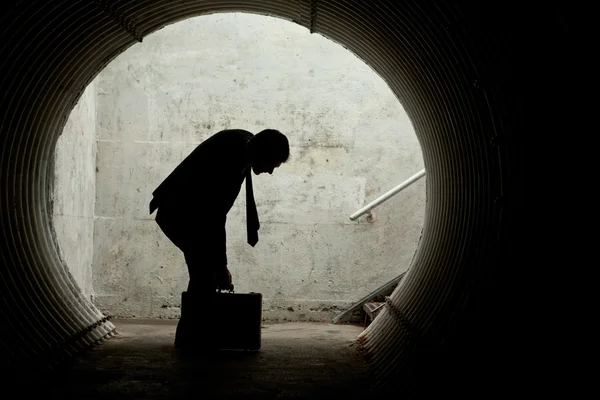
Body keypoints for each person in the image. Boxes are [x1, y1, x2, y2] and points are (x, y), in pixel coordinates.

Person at [149, 128, 289, 347]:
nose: (271, 171)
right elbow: (214, 216)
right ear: (263, 152)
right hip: (179, 213)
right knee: (204, 271)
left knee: (203, 271)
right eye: (272, 164)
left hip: (186, 211)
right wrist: (222, 265)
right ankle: (191, 340)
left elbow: (213, 215)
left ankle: (196, 335)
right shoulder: (230, 159)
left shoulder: (243, 144)